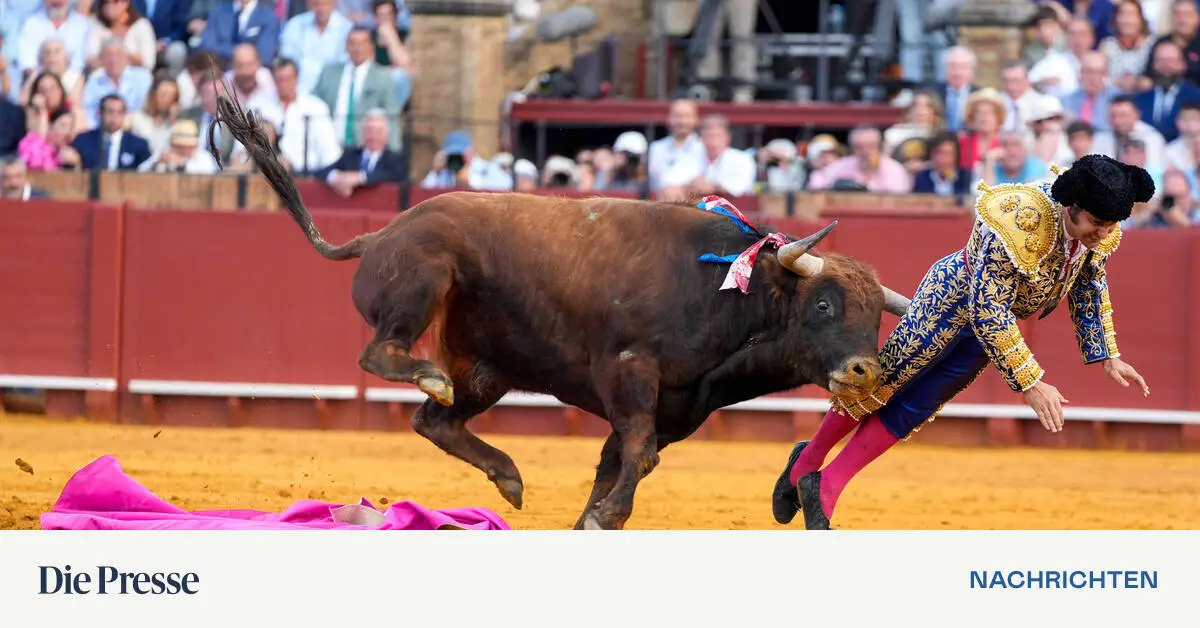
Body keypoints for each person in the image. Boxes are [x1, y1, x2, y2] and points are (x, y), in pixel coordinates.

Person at [770, 154, 1155, 530]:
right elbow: (989, 309)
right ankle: (807, 461)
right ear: (1072, 206)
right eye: (1098, 223)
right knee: (882, 384)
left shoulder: (1100, 226)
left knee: (917, 406)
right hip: (950, 301)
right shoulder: (1019, 218)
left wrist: (1107, 354)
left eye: (1111, 224)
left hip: (992, 326)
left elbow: (1089, 282)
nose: (1105, 233)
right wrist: (1031, 382)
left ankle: (827, 484)